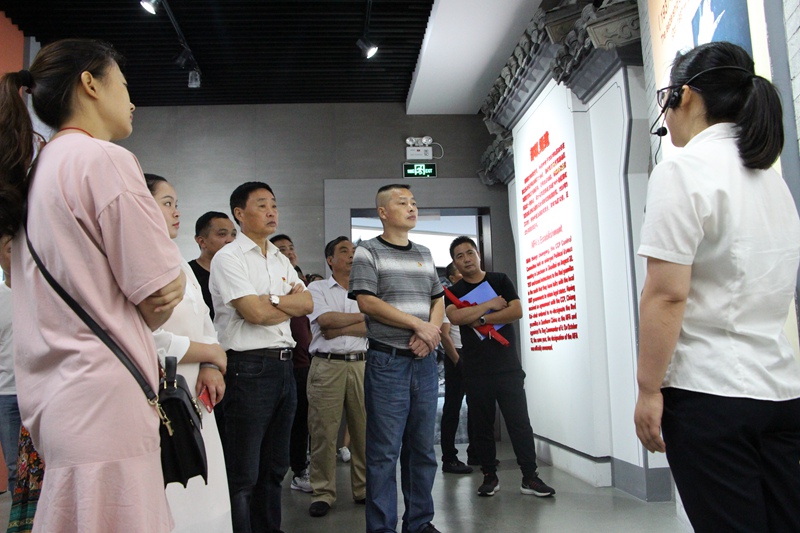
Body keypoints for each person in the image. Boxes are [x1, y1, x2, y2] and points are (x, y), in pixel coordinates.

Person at [0, 39, 185, 532]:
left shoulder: (37, 171)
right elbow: (159, 292)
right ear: (89, 84)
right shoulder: (103, 159)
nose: (131, 101)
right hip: (106, 398)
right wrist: (168, 285)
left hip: (57, 400)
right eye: (122, 84)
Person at [634, 41, 800, 532]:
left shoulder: (681, 171)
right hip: (781, 390)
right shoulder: (771, 179)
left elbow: (667, 293)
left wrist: (648, 389)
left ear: (684, 96)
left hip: (708, 394)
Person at [210, 181, 312, 533]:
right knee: (244, 473)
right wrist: (281, 303)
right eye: (262, 205)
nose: (271, 212)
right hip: (248, 368)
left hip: (284, 366)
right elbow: (253, 313)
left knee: (275, 467)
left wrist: (272, 300)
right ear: (240, 213)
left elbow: (307, 303)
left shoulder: (280, 258)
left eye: (274, 205)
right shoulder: (229, 258)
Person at [349, 184, 444, 533]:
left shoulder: (424, 252)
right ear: (383, 213)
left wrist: (430, 333)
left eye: (414, 202)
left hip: (424, 362)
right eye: (402, 202)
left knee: (422, 449)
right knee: (384, 452)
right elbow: (367, 301)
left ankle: (419, 522)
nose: (412, 207)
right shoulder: (368, 251)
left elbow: (438, 299)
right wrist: (417, 325)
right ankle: (382, 527)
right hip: (387, 362)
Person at [145, 173, 232, 533]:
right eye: (167, 203)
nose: (176, 212)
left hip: (198, 387)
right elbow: (143, 336)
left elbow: (204, 319)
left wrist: (210, 361)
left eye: (176, 204)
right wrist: (206, 351)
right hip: (160, 391)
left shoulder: (177, 259)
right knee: (172, 487)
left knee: (206, 484)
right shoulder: (134, 259)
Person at [446, 236, 555, 499]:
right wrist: (489, 305)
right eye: (459, 256)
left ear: (478, 254)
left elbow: (516, 311)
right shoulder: (454, 291)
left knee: (519, 423)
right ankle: (489, 476)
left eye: (469, 252)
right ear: (455, 263)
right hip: (476, 370)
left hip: (507, 366)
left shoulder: (499, 280)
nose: (466, 259)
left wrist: (482, 318)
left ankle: (530, 477)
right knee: (481, 427)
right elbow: (455, 316)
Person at [306, 236, 368, 517]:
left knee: (364, 431)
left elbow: (374, 324)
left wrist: (343, 327)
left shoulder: (367, 290)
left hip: (361, 365)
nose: (352, 255)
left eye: (354, 251)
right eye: (344, 251)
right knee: (324, 432)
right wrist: (363, 318)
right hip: (326, 365)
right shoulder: (316, 288)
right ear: (330, 260)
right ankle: (322, 492)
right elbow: (325, 321)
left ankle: (363, 488)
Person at [270, 234, 312, 494]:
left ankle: (299, 469)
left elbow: (307, 309)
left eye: (291, 247)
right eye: (281, 249)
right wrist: (288, 301)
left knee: (301, 421)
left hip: (305, 362)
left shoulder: (300, 281)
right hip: (282, 360)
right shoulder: (273, 281)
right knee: (281, 422)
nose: (288, 252)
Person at [438, 262, 472, 474]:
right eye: (459, 270)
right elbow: (444, 334)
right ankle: (449, 458)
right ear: (451, 277)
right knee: (452, 408)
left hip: (474, 355)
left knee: (478, 406)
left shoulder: (475, 295)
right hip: (457, 355)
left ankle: (476, 452)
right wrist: (458, 361)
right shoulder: (447, 299)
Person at [0, 234, 20, 494]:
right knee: (15, 467)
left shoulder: (42, 292)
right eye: (8, 249)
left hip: (41, 390)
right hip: (7, 395)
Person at [189, 211, 237, 320]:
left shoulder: (239, 271)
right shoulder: (188, 274)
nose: (230, 240)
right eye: (222, 234)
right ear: (202, 241)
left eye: (233, 234)